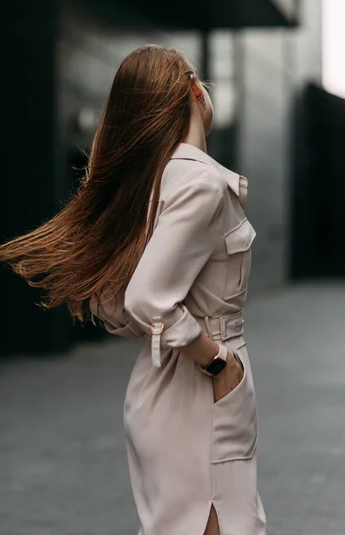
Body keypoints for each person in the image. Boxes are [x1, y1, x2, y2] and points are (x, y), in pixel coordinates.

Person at [0, 45, 267, 535]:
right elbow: (145, 298)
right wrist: (217, 361)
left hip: (166, 381)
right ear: (193, 89)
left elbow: (118, 303)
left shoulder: (158, 182)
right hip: (199, 383)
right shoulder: (199, 184)